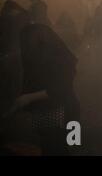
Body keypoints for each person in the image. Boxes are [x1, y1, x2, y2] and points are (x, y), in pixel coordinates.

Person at [6, 24, 80, 155]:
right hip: (46, 112)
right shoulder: (35, 58)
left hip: (66, 111)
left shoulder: (61, 59)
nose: (27, 46)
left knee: (67, 147)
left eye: (30, 41)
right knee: (50, 147)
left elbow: (61, 88)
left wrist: (28, 98)